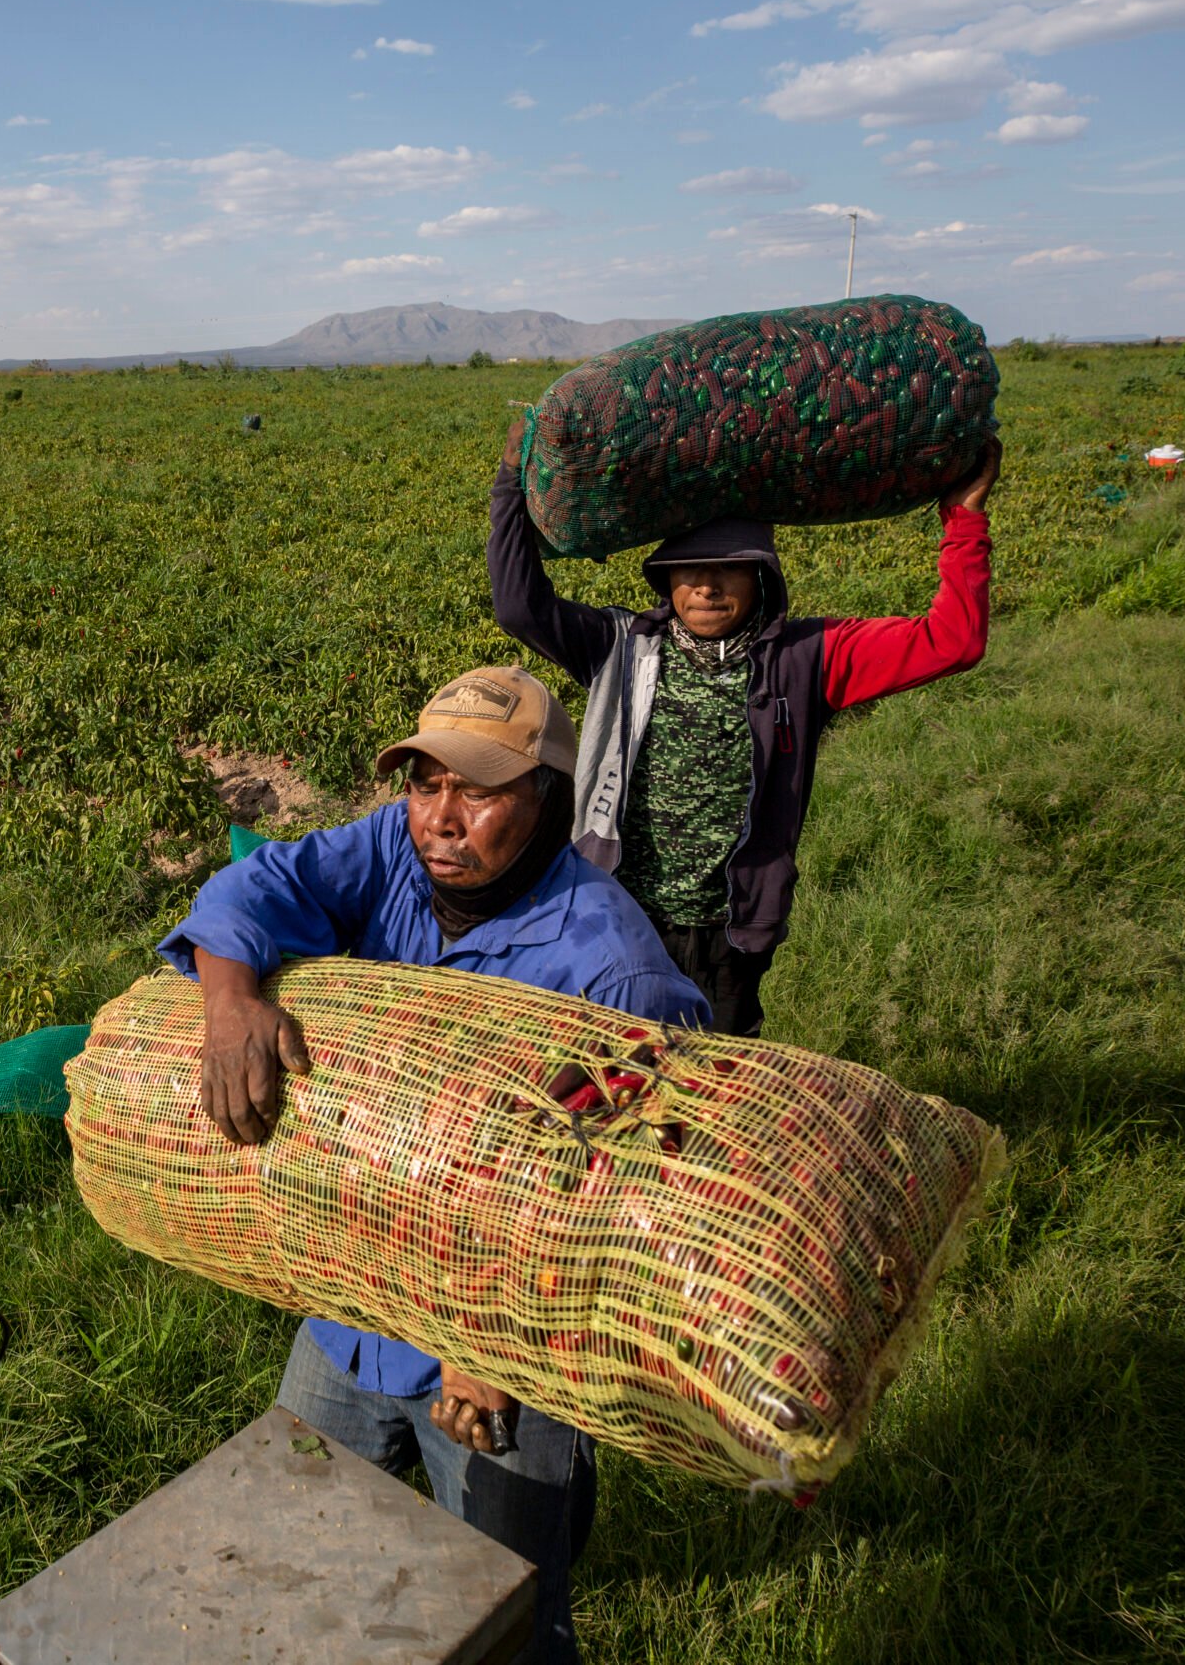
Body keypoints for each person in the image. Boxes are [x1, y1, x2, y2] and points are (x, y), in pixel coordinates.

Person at [159, 667, 708, 1665]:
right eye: (423, 782)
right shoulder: (393, 849)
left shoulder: (605, 965)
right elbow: (258, 884)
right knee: (296, 1536)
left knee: (501, 1615)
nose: (441, 817)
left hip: (503, 1346)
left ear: (546, 795)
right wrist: (229, 1000)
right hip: (355, 1303)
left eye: (480, 788)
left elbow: (631, 1198)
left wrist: (494, 1337)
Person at [489, 425, 1000, 1036]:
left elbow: (952, 641)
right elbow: (519, 604)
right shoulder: (618, 645)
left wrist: (964, 519)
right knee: (610, 1067)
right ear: (665, 580)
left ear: (761, 578)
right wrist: (508, 486)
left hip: (730, 928)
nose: (706, 585)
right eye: (689, 569)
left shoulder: (807, 657)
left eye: (728, 568)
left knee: (717, 1078)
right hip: (616, 909)